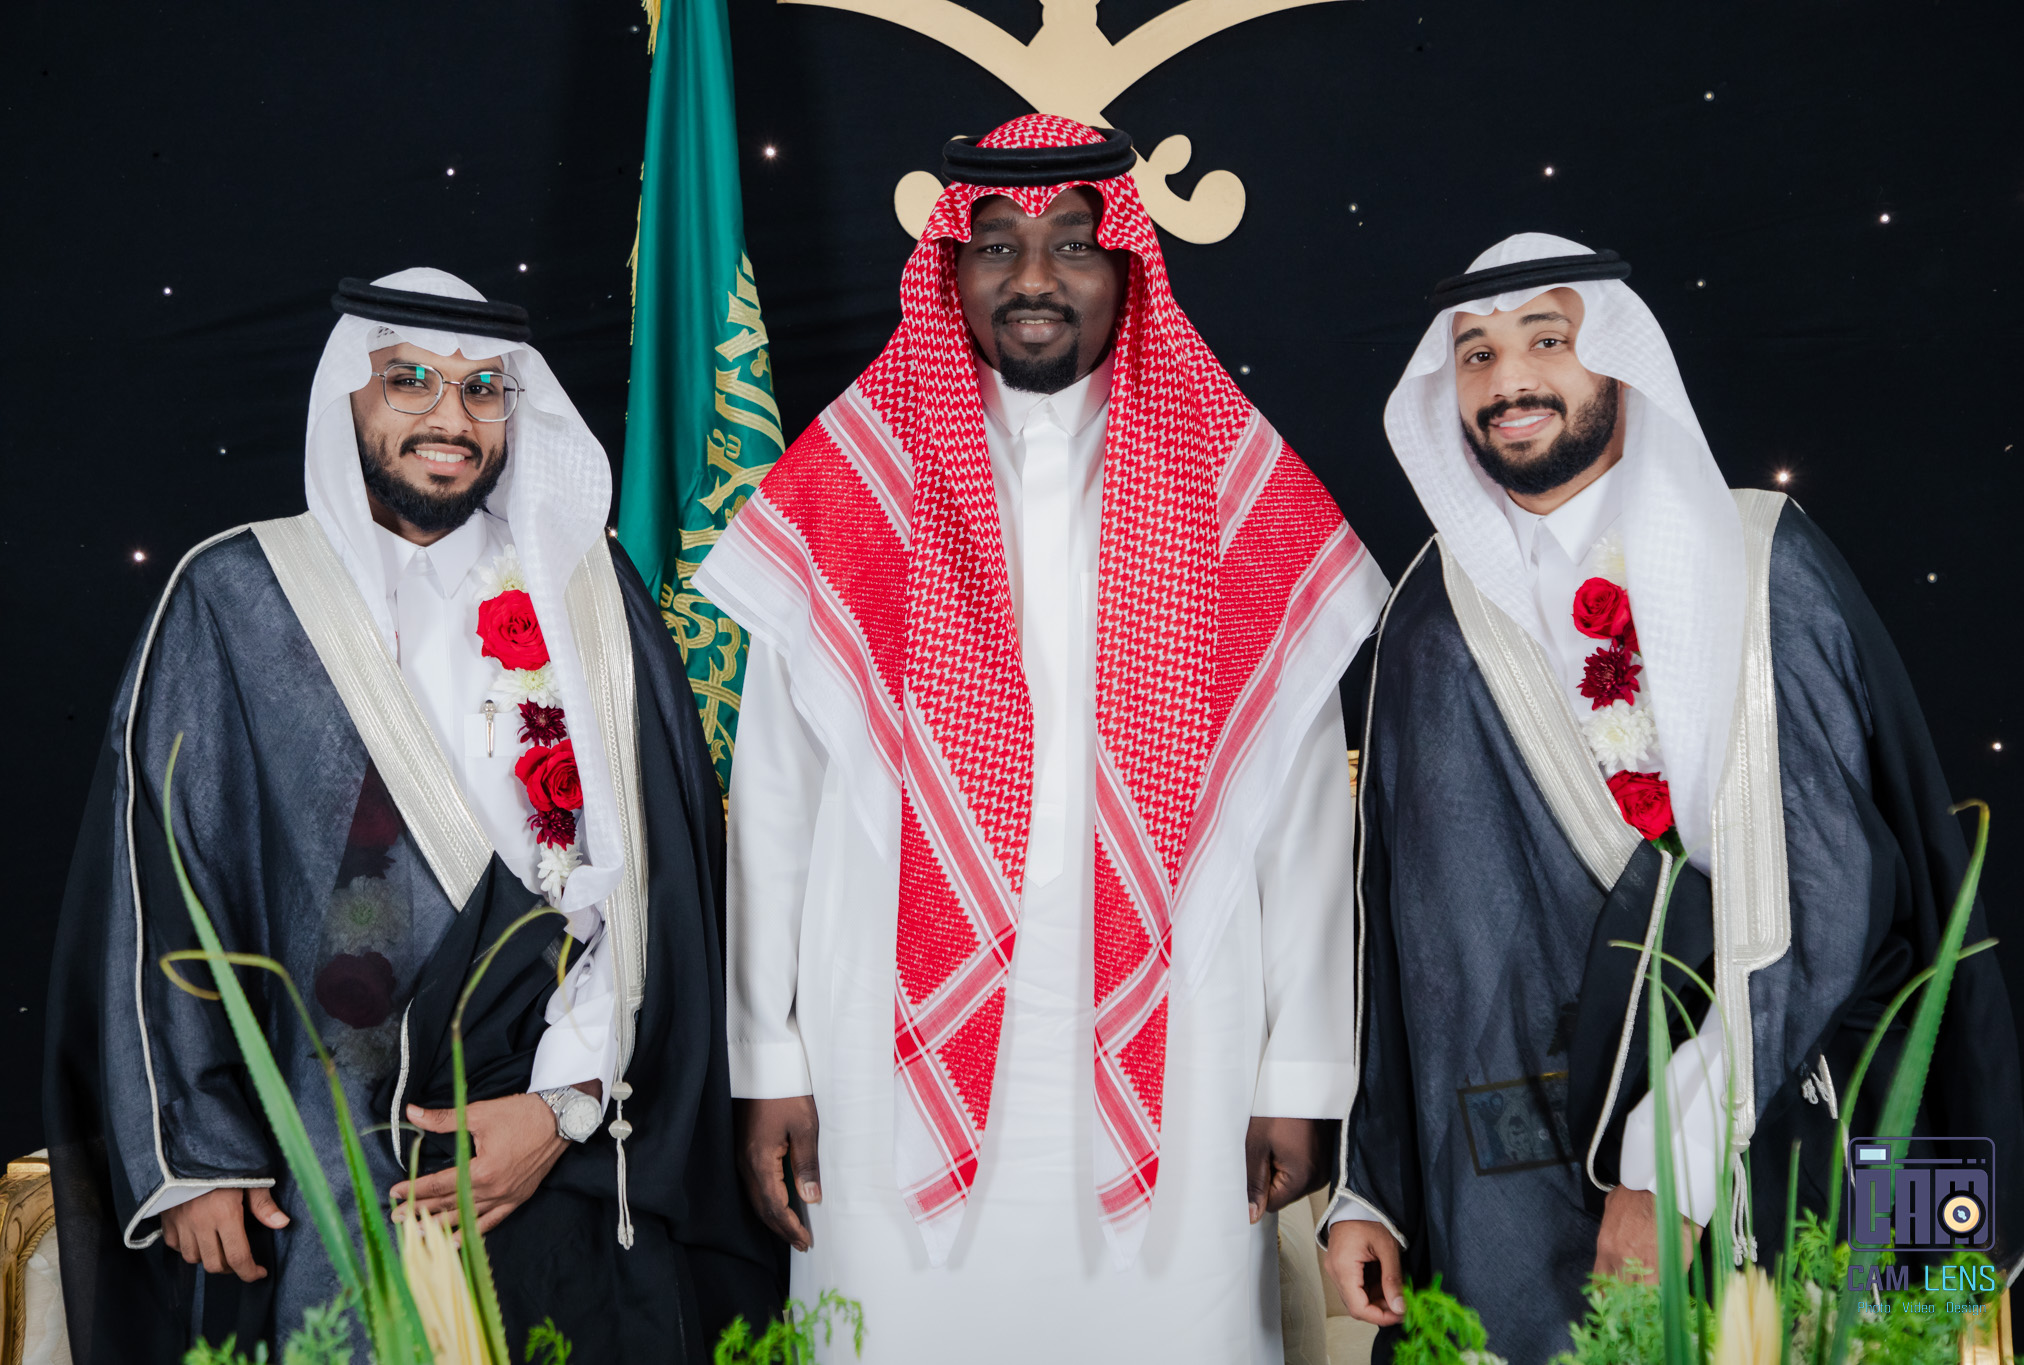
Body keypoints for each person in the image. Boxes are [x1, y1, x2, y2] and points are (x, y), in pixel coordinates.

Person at [695, 116, 1386, 1362]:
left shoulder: (1230, 484)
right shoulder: (851, 480)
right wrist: (766, 1055)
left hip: (1183, 1052)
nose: (1031, 278)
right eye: (995, 246)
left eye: (1072, 243)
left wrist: (1296, 1075)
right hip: (879, 1054)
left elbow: (1297, 816)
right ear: (948, 271)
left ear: (1126, 268)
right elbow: (777, 799)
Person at [1322, 234, 2024, 1361]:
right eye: (1476, 355)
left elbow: (1831, 888)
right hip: (1515, 1166)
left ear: (1618, 360)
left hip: (1773, 1116)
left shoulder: (1758, 563)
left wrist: (1673, 1162)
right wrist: (1371, 1186)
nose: (1508, 380)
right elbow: (1399, 927)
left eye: (1546, 340)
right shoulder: (1433, 607)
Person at [43, 269, 780, 1361]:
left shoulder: (587, 589)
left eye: (482, 388)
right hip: (317, 1132)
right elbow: (163, 879)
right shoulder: (237, 595)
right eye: (409, 381)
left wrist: (566, 1105)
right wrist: (197, 1154)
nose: (451, 417)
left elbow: (655, 877)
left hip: (548, 1121)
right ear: (348, 391)